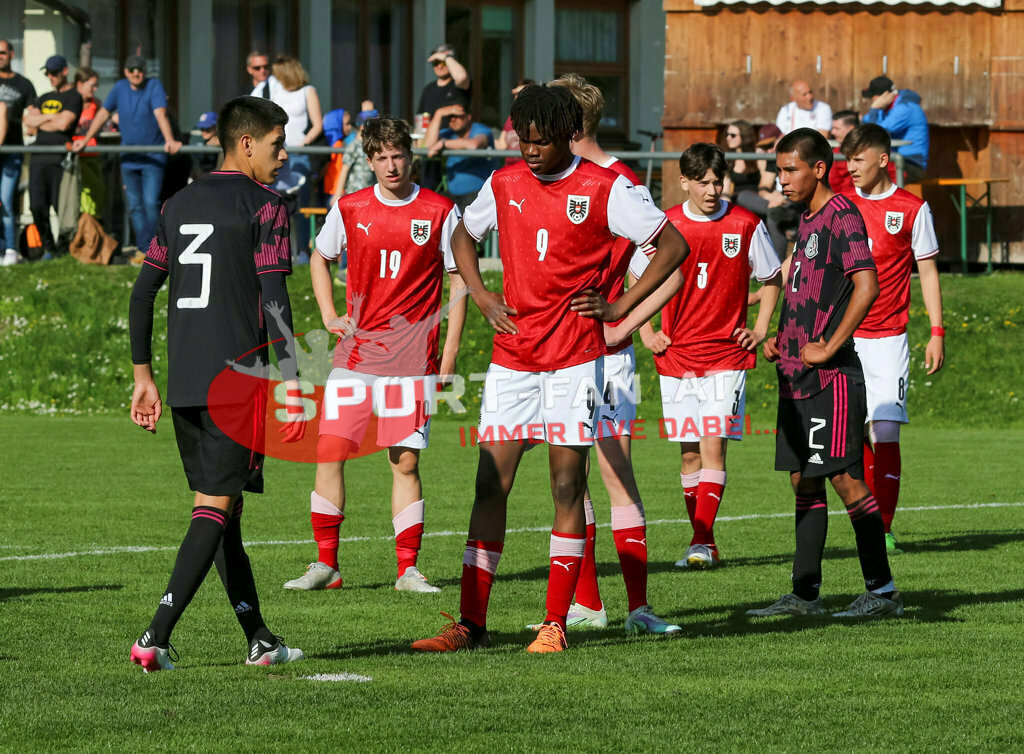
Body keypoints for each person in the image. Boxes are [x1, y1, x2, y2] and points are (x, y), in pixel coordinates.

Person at [410, 83, 689, 654]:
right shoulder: (505, 180)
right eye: (522, 139)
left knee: (567, 485)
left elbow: (673, 246)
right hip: (513, 359)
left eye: (540, 140)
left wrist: (619, 306)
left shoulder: (607, 188)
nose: (530, 150)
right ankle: (470, 624)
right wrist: (482, 295)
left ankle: (554, 623)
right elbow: (462, 234)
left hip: (574, 362)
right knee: (491, 484)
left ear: (567, 135)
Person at [126, 95, 306, 671]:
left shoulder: (176, 203)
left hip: (184, 384)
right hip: (238, 384)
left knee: (222, 510)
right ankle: (154, 636)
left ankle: (259, 638)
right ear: (246, 143)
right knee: (214, 506)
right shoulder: (269, 207)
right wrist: (295, 382)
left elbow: (141, 294)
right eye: (277, 145)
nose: (284, 155)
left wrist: (142, 376)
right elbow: (275, 304)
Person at [283, 116, 468, 594]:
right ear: (369, 161)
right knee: (329, 450)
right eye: (381, 157)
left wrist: (449, 351)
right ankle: (326, 566)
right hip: (356, 355)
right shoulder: (348, 207)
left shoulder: (439, 210)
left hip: (413, 361)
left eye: (398, 155)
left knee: (404, 462)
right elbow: (319, 258)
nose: (391, 165)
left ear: (411, 156)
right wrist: (327, 313)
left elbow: (460, 278)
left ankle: (407, 570)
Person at [531, 71, 679, 634]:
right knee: (572, 481)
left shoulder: (615, 182)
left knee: (614, 476)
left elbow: (670, 265)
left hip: (603, 356)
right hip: (560, 351)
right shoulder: (559, 178)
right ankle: (587, 604)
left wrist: (625, 322)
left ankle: (637, 607)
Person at [749, 127, 902, 619]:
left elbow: (868, 284)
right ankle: (805, 595)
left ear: (818, 169)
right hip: (795, 376)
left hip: (833, 378)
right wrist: (778, 338)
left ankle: (882, 592)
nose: (782, 179)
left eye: (790, 169)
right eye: (778, 170)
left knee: (845, 479)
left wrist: (831, 345)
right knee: (804, 482)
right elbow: (804, 292)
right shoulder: (808, 221)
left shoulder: (841, 216)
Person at [635, 143, 782, 568]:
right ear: (684, 182)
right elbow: (635, 275)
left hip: (726, 356)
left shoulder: (745, 223)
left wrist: (759, 329)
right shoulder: (667, 227)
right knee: (689, 454)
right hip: (677, 356)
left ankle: (699, 542)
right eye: (703, 183)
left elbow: (771, 279)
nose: (713, 190)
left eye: (718, 182)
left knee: (713, 444)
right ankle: (706, 541)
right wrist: (647, 331)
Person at [841, 123, 944, 554]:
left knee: (885, 430)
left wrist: (936, 332)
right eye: (847, 160)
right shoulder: (841, 205)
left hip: (888, 339)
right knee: (854, 434)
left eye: (858, 160)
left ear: (883, 160)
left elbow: (928, 272)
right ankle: (868, 523)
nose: (851, 168)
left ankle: (882, 529)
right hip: (843, 338)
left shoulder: (913, 208)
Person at [72, 54, 183, 260]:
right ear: (125, 72)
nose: (135, 73)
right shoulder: (120, 87)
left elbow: (160, 113)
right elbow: (104, 113)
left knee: (151, 203)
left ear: (145, 71)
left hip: (153, 155)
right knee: (134, 206)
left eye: (139, 69)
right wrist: (86, 139)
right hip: (129, 157)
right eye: (131, 70)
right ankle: (144, 249)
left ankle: (157, 249)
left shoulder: (154, 85)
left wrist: (169, 140)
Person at [23, 55, 82, 260]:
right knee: (37, 205)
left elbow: (65, 124)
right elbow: (29, 121)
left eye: (54, 73)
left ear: (65, 72)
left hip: (60, 159)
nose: (51, 77)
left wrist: (42, 121)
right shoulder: (43, 97)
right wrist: (52, 118)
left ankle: (62, 248)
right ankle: (48, 247)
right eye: (47, 73)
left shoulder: (74, 97)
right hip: (38, 158)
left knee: (62, 206)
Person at [269, 55, 323, 262]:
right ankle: (276, 252)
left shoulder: (307, 92)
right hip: (277, 152)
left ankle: (302, 252)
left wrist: (302, 142)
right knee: (275, 201)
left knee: (301, 204)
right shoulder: (275, 91)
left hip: (299, 153)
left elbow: (317, 124)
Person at [0, 39, 37, 266]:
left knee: (5, 200)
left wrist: (32, 123)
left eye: (3, 52)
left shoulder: (24, 84)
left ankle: (11, 249)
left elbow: (33, 115)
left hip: (11, 151)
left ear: (12, 54)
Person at [416, 44, 471, 191]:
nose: (439, 66)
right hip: (430, 149)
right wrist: (418, 146)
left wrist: (446, 57)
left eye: (443, 62)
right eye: (435, 63)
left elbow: (461, 77)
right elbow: (421, 120)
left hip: (453, 150)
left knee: (451, 198)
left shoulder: (458, 85)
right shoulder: (428, 89)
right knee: (429, 192)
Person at [424, 103, 494, 210]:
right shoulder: (449, 133)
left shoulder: (479, 129)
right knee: (433, 207)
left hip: (477, 194)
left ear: (468, 117)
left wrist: (443, 144)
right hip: (452, 195)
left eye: (457, 116)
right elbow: (429, 144)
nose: (452, 120)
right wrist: (439, 114)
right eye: (449, 116)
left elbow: (474, 145)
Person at [862, 76, 929, 183]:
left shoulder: (906, 108)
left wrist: (874, 109)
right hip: (896, 159)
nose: (871, 100)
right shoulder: (891, 107)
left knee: (869, 171)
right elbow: (866, 121)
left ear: (885, 95)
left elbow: (875, 132)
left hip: (912, 164)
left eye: (872, 97)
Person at [71, 67, 106, 220]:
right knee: (77, 196)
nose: (95, 89)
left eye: (96, 85)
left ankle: (92, 225)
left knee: (97, 192)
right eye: (92, 85)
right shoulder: (69, 101)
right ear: (80, 84)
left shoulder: (96, 104)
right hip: (74, 155)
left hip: (92, 153)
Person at [495, 78, 535, 165]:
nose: (517, 97)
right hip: (511, 171)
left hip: (531, 170)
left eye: (521, 93)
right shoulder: (511, 119)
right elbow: (502, 146)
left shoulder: (539, 118)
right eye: (515, 94)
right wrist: (488, 135)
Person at [721, 120, 759, 204]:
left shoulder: (758, 155)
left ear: (744, 136)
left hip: (758, 200)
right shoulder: (728, 158)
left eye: (733, 135)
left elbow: (766, 184)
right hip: (737, 202)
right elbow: (725, 191)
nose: (728, 138)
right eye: (727, 134)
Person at [828, 110, 859, 194]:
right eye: (832, 128)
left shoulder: (870, 152)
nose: (832, 132)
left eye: (837, 128)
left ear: (851, 130)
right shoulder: (836, 152)